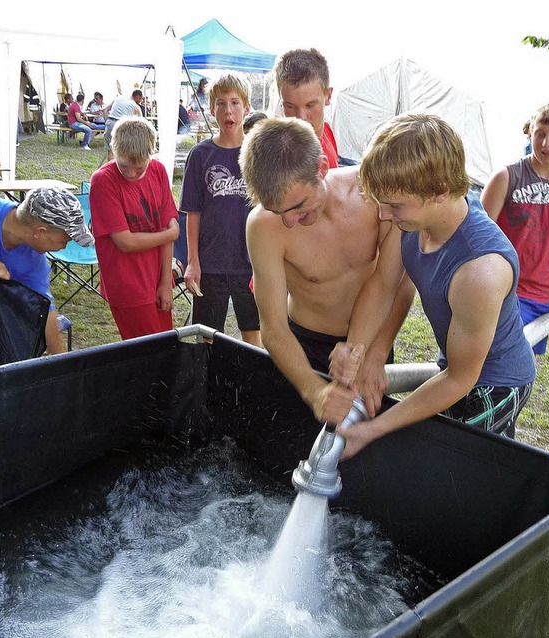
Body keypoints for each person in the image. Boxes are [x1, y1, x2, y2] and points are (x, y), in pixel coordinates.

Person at [327, 113, 536, 461]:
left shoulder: (479, 270)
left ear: (440, 191)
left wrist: (370, 430)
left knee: (441, 463)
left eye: (393, 205)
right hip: (453, 365)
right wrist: (360, 352)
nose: (383, 216)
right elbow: (384, 285)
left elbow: (459, 379)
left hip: (496, 383)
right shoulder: (409, 217)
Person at [239, 117, 406, 421]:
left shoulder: (375, 195)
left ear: (322, 168)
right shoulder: (262, 225)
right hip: (303, 348)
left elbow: (394, 283)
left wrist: (375, 351)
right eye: (279, 211)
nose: (289, 221)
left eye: (298, 206)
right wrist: (313, 391)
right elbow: (273, 327)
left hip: (374, 339)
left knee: (364, 449)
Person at [482, 102, 549, 355]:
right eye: (540, 134)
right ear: (530, 133)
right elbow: (476, 240)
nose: (546, 144)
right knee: (494, 367)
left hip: (542, 298)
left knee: (522, 372)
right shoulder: (506, 177)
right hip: (504, 292)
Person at [179, 72, 261, 347]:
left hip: (251, 263)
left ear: (246, 108)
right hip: (211, 263)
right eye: (221, 103)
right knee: (206, 336)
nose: (229, 110)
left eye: (235, 103)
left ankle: (248, 386)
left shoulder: (257, 154)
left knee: (253, 334)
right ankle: (208, 386)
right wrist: (192, 261)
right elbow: (193, 211)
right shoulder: (201, 155)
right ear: (212, 109)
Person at [0, 187, 94, 354]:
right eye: (65, 240)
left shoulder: (33, 257)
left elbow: (45, 310)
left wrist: (61, 365)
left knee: (0, 353)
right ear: (40, 232)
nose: (65, 246)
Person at [89, 116, 179, 341]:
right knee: (148, 353)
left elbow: (168, 225)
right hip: (127, 283)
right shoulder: (103, 181)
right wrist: (169, 234)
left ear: (151, 155)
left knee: (165, 344)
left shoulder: (158, 170)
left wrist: (165, 281)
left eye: (139, 168)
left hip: (156, 276)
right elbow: (125, 242)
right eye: (124, 166)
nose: (130, 174)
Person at [274, 48, 339, 168]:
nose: (301, 117)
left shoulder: (327, 132)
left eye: (310, 105)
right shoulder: (281, 158)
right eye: (290, 106)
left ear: (328, 96)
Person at [103, 90, 143, 161]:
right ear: (137, 97)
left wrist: (107, 122)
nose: (141, 101)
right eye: (141, 99)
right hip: (122, 125)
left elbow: (105, 110)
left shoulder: (119, 98)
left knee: (111, 150)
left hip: (110, 122)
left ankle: (111, 170)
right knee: (123, 151)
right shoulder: (135, 106)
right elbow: (140, 123)